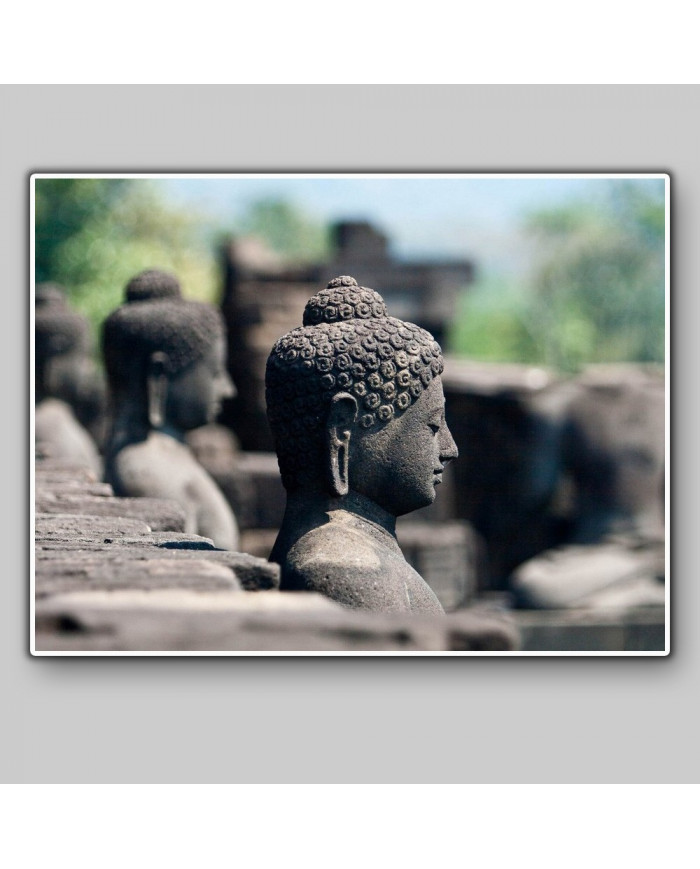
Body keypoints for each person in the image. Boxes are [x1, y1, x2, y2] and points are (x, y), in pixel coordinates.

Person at [266, 275, 458, 613]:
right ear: (342, 431)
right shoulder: (339, 572)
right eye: (432, 425)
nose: (449, 447)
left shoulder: (354, 555)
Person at [101, 297, 240, 549]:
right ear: (158, 375)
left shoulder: (166, 458)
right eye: (215, 372)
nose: (228, 389)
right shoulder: (146, 476)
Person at [34, 283, 103, 475]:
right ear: (53, 360)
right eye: (83, 359)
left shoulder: (61, 416)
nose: (89, 369)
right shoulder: (47, 427)